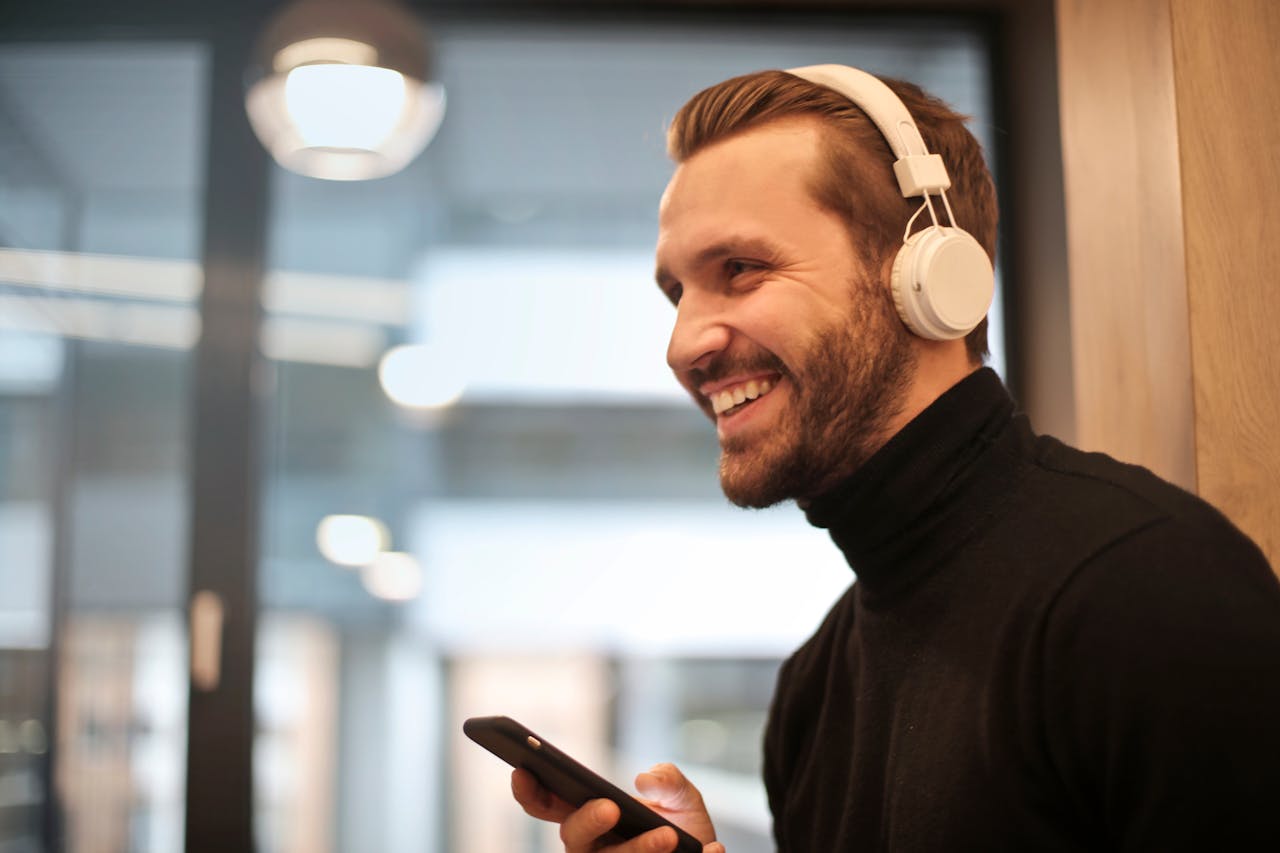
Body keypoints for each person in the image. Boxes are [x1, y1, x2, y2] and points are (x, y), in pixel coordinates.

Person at [510, 64, 1280, 852]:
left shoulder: (1145, 587)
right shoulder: (813, 692)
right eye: (679, 293)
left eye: (740, 269)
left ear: (930, 275)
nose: (683, 346)